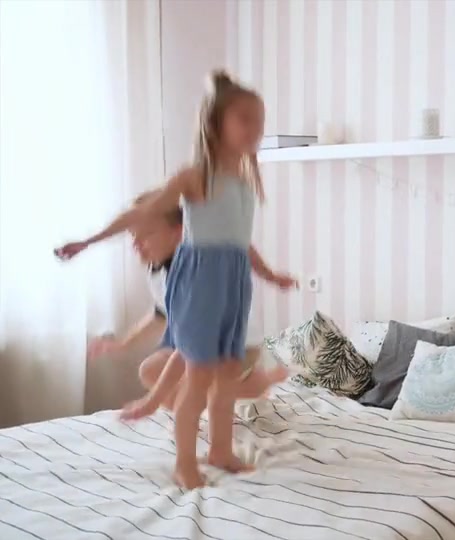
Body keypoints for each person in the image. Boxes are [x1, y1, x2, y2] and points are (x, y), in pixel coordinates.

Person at [56, 70, 291, 489]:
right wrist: (89, 241)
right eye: (245, 119)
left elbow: (240, 243)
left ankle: (220, 450)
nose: (255, 128)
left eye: (260, 120)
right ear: (215, 123)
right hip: (200, 284)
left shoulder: (244, 181)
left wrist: (270, 274)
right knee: (198, 376)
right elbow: (140, 213)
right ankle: (185, 462)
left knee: (227, 373)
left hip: (234, 284)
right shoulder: (195, 176)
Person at [86, 191, 288, 413]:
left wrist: (151, 401)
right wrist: (123, 343)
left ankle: (260, 382)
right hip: (196, 345)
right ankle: (195, 414)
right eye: (133, 235)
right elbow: (161, 315)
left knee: (197, 383)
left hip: (237, 347)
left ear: (179, 231)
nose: (135, 243)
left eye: (146, 235)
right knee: (150, 370)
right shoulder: (158, 270)